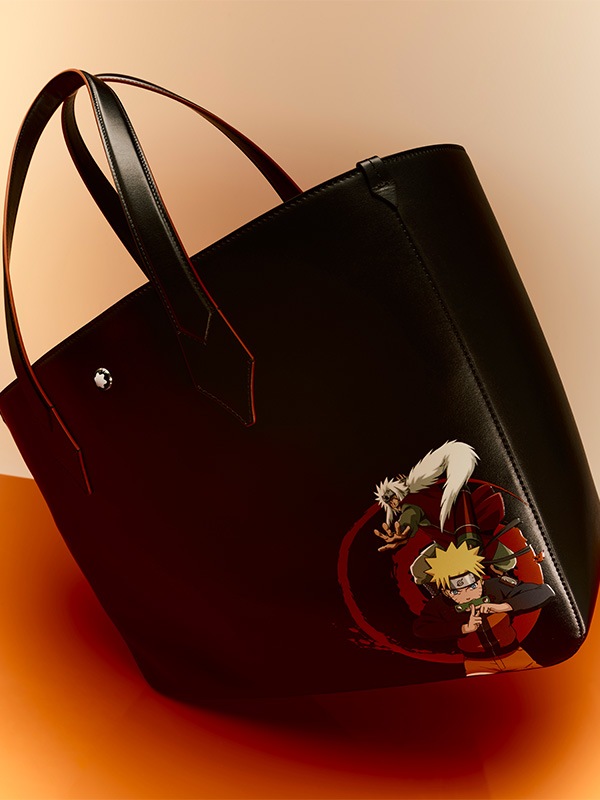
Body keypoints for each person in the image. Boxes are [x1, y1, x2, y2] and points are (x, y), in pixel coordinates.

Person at [412, 541, 554, 675]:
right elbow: (421, 629)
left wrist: (503, 607)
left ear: (480, 580)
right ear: (446, 592)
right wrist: (463, 628)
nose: (468, 596)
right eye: (456, 592)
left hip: (515, 654)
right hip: (477, 664)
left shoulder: (497, 586)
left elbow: (544, 591)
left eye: (473, 586)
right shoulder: (439, 604)